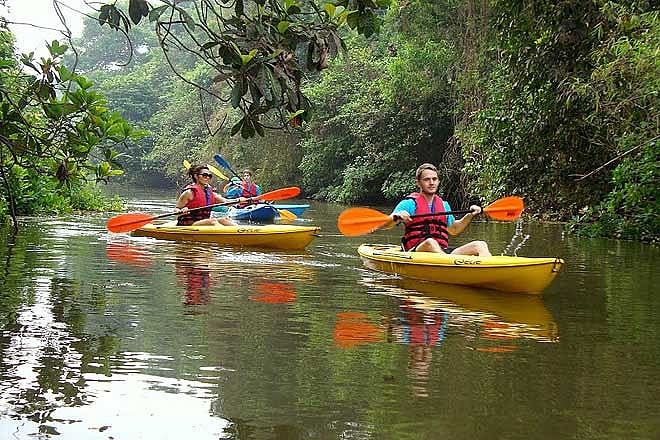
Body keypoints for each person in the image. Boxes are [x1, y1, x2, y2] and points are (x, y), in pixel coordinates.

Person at [389, 163, 491, 256]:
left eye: (434, 179)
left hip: (442, 251)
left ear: (438, 181)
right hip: (416, 252)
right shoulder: (409, 203)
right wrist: (397, 217)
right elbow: (386, 225)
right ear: (418, 183)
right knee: (430, 242)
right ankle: (449, 264)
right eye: (426, 179)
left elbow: (454, 230)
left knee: (480, 245)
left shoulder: (444, 205)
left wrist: (470, 215)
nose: (431, 182)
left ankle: (490, 270)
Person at [175, 164, 248, 226]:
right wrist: (181, 211)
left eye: (209, 175)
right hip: (189, 224)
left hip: (203, 222)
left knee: (225, 219)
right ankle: (227, 236)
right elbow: (176, 209)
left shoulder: (210, 193)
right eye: (204, 175)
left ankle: (244, 232)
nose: (207, 177)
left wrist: (238, 200)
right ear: (196, 176)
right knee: (212, 221)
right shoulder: (189, 193)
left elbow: (226, 202)